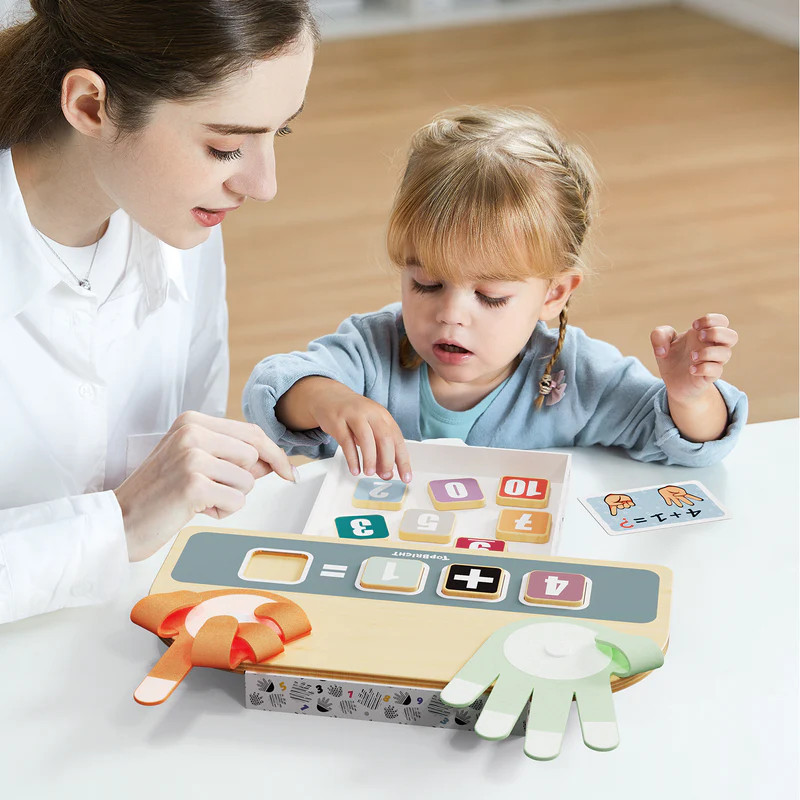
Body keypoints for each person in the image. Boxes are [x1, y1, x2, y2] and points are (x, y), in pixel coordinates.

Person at [0, 0, 318, 623]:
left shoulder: (179, 227)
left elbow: (188, 474)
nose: (263, 185)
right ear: (91, 105)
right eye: (225, 146)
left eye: (277, 133)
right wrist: (118, 522)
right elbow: (137, 516)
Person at [243, 107, 747, 482]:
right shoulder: (373, 351)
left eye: (490, 296)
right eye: (427, 284)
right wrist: (328, 399)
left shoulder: (576, 377)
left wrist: (689, 397)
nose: (450, 314)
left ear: (554, 293)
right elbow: (272, 389)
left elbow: (686, 444)